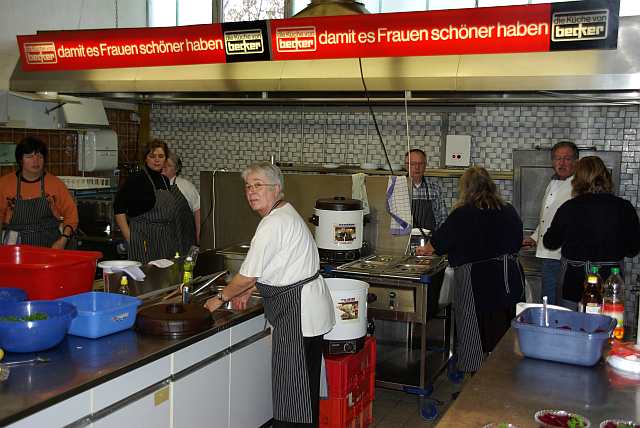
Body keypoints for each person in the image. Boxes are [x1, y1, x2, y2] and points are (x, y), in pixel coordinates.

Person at [204, 162, 335, 428]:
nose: (251, 192)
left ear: (277, 189)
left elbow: (246, 275)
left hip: (298, 314)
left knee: (294, 397)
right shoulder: (284, 213)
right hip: (306, 311)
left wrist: (218, 299)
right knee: (303, 394)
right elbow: (280, 266)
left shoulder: (273, 223)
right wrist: (250, 288)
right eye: (248, 187)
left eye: (258, 185)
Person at [418, 166, 524, 373]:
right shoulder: (508, 210)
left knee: (471, 327)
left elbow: (438, 243)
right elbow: (517, 240)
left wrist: (425, 249)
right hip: (507, 277)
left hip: (474, 279)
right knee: (502, 325)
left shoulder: (463, 213)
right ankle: (503, 371)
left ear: (466, 188)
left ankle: (473, 374)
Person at [543, 156, 640, 309]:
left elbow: (550, 242)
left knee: (570, 320)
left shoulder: (569, 207)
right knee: (609, 318)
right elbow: (633, 249)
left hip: (573, 279)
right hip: (610, 279)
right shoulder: (624, 207)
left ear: (577, 180)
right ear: (606, 177)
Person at [523, 141, 578, 305]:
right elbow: (547, 216)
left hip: (563, 256)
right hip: (548, 255)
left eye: (567, 158)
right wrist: (535, 237)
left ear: (576, 161)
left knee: (561, 304)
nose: (561, 163)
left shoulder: (578, 186)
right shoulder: (553, 182)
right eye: (557, 158)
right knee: (549, 301)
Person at [0, 137, 78, 249]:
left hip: (50, 245)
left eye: (40, 157)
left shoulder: (55, 184)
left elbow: (71, 216)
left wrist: (63, 239)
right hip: (14, 247)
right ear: (20, 160)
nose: (36, 161)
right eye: (29, 157)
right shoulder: (4, 184)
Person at [114, 140, 184, 263]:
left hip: (165, 240)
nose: (157, 160)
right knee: (144, 274)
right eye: (152, 156)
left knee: (163, 273)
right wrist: (130, 237)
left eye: (161, 156)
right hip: (142, 238)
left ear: (165, 159)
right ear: (145, 158)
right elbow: (118, 208)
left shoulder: (164, 180)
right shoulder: (136, 179)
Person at [405, 149, 448, 232]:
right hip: (403, 237)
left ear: (425, 165)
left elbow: (443, 218)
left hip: (429, 238)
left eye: (420, 163)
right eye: (413, 164)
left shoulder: (435, 189)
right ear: (406, 166)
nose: (417, 167)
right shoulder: (397, 188)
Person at [163, 152, 200, 246]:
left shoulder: (186, 186)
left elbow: (197, 210)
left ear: (176, 169)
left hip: (183, 237)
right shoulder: (153, 185)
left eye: (168, 165)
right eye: (163, 165)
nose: (164, 168)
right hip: (161, 238)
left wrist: (199, 235)